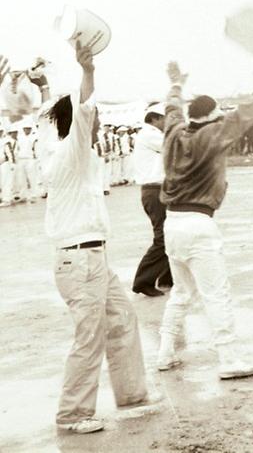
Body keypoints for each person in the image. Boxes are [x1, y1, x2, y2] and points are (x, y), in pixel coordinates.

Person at [44, 42, 152, 434]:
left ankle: (132, 396)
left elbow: (75, 114)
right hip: (78, 260)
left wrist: (45, 85)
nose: (100, 123)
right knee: (88, 338)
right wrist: (87, 72)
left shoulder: (82, 157)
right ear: (79, 125)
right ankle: (72, 415)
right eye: (96, 119)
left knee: (122, 319)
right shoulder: (70, 153)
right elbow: (82, 110)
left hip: (93, 259)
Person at [156, 61, 253, 379]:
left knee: (182, 293)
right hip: (199, 223)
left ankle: (164, 351)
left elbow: (172, 109)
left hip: (172, 223)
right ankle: (228, 359)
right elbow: (245, 113)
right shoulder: (213, 134)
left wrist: (175, 84)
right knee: (216, 293)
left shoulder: (173, 131)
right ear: (212, 115)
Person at [131, 102, 173, 296]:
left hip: (159, 190)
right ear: (155, 118)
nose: (168, 123)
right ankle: (142, 281)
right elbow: (174, 145)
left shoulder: (152, 134)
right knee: (163, 238)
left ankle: (166, 277)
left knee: (169, 235)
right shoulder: (150, 134)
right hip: (154, 191)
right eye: (166, 119)